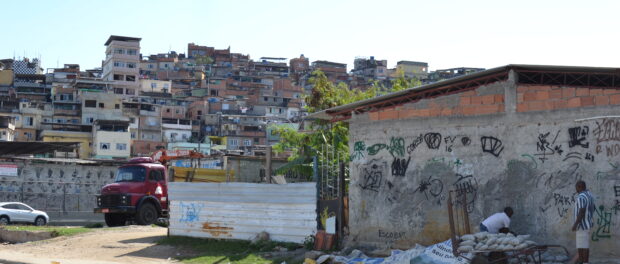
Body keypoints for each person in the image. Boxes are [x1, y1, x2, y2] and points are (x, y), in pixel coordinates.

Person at [571, 180, 595, 264]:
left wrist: (575, 224)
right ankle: (583, 262)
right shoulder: (590, 195)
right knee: (584, 246)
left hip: (582, 226)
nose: (576, 190)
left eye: (576, 188)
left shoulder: (581, 196)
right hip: (587, 224)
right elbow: (593, 208)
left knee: (582, 247)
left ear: (580, 187)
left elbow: (581, 211)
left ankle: (583, 262)